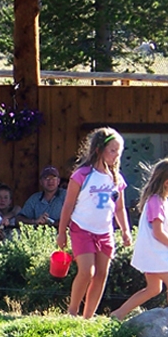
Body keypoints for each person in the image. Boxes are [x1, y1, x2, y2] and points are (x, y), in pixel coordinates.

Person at [57, 127, 131, 319]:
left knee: (101, 274)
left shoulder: (116, 179)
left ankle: (88, 317)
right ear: (99, 149)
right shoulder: (82, 174)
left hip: (104, 232)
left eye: (119, 151)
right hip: (82, 229)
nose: (116, 155)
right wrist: (62, 232)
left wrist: (125, 230)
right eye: (112, 150)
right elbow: (68, 205)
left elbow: (119, 208)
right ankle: (72, 312)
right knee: (87, 271)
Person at [111, 158, 168, 320]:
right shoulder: (156, 201)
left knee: (154, 288)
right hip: (155, 253)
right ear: (167, 183)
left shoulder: (159, 200)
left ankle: (118, 314)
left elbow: (159, 228)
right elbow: (158, 233)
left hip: (152, 251)